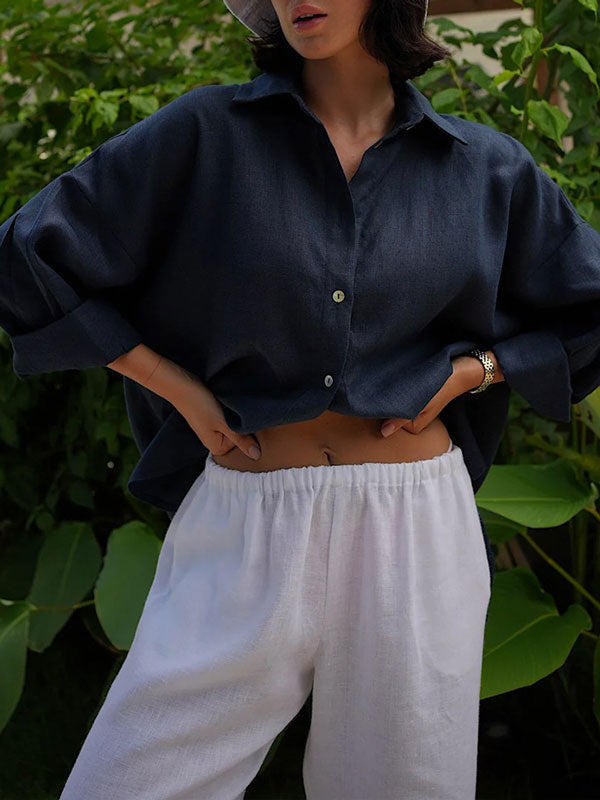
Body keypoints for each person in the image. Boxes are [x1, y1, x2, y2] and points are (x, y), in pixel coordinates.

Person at [1, 0, 599, 798]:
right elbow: (28, 257)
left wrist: (479, 370)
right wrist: (173, 385)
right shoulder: (206, 136)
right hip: (245, 522)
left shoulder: (483, 168)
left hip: (414, 532)